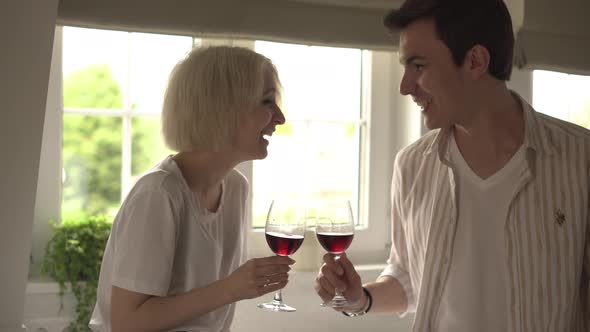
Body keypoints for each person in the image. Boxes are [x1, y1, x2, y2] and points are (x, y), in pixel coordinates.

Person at [314, 0, 590, 331]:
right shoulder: (412, 165)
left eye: (418, 66)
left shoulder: (580, 160)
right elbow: (409, 277)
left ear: (475, 61)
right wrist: (359, 299)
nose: (404, 86)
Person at [89, 45, 293, 332]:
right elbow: (127, 323)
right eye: (267, 102)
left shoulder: (236, 188)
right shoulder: (159, 194)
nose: (280, 117)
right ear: (224, 109)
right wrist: (230, 289)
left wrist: (232, 288)